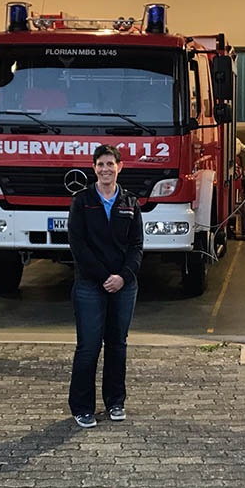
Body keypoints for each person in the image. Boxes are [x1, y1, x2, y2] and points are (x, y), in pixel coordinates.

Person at [67, 144, 144, 428]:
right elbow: (78, 245)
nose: (105, 169)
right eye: (100, 164)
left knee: (117, 345)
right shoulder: (82, 201)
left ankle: (115, 402)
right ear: (94, 168)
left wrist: (123, 276)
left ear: (119, 167)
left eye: (110, 164)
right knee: (88, 347)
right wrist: (104, 277)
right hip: (90, 285)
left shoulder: (130, 202)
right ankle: (82, 407)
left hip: (124, 286)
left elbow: (137, 246)